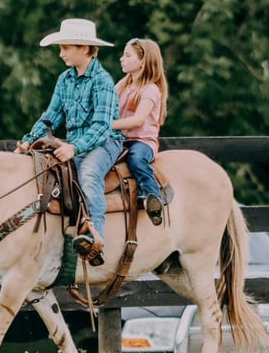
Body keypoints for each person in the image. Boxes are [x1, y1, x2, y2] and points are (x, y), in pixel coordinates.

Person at [15, 18, 123, 266]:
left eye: (66, 48)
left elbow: (102, 127)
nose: (61, 53)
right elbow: (51, 116)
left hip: (104, 143)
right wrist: (28, 141)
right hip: (74, 142)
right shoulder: (65, 79)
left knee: (88, 174)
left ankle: (96, 237)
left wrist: (73, 147)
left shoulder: (102, 81)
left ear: (85, 49)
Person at [111, 37, 169, 226]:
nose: (122, 59)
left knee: (136, 159)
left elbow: (138, 120)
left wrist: (108, 125)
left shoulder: (150, 90)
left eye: (127, 55)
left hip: (142, 142)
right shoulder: (123, 85)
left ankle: (152, 196)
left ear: (143, 62)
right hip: (120, 139)